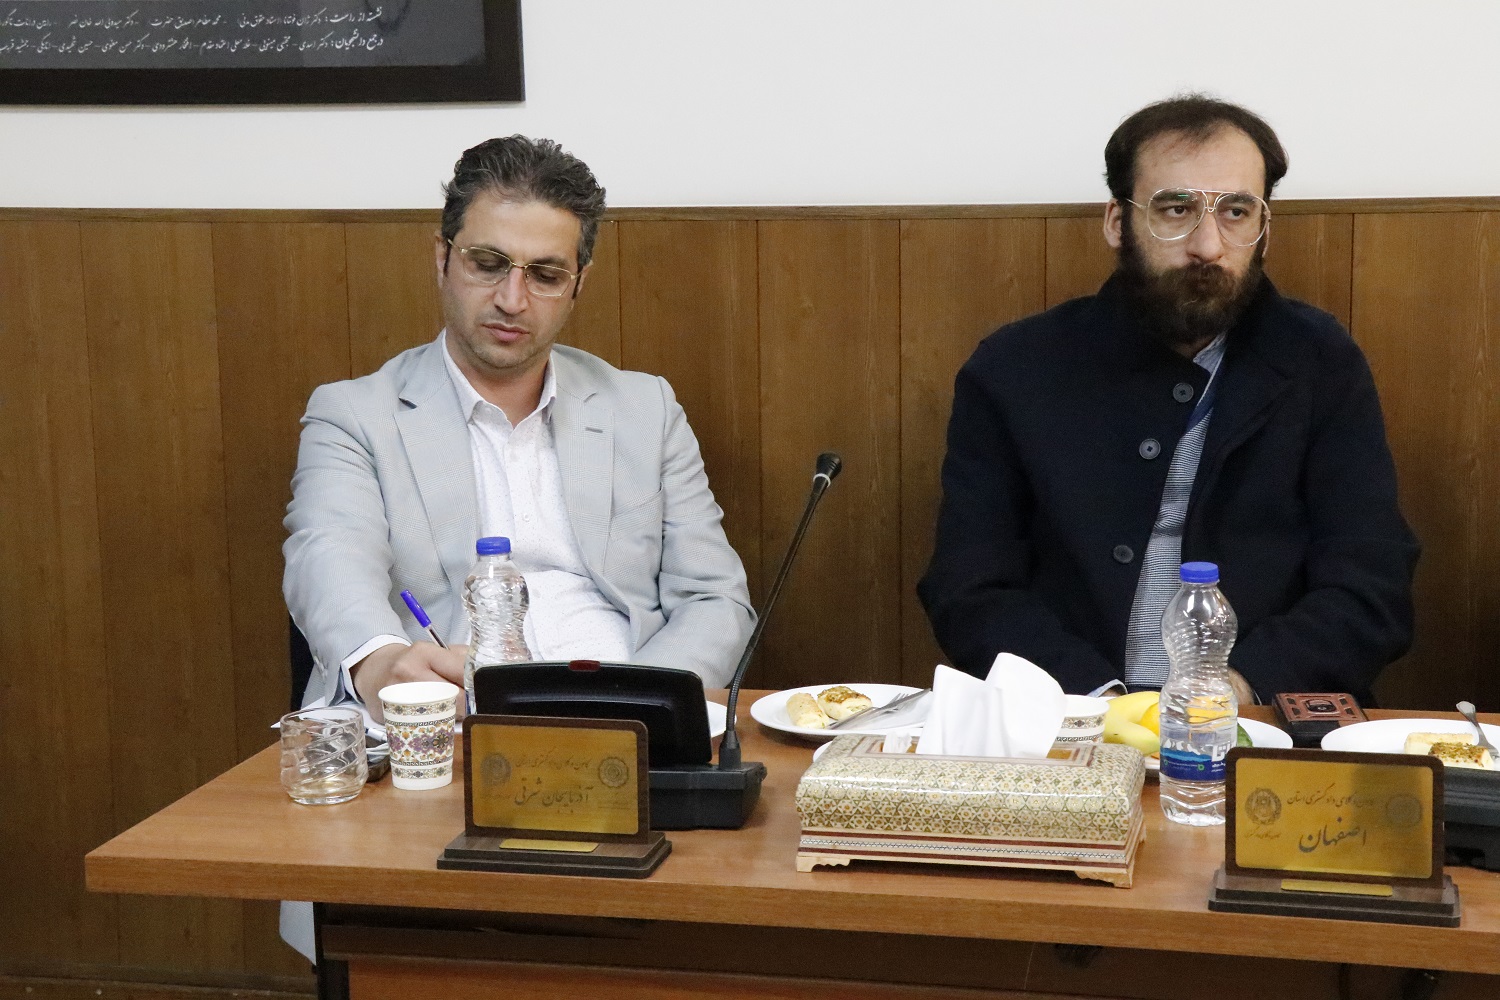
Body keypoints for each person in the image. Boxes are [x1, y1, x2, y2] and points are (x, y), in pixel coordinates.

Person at [918, 96, 1418, 706]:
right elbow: (970, 586)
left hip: (1257, 718)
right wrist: (1099, 702)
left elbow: (1370, 584)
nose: (1208, 244)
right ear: (1116, 221)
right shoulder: (1014, 368)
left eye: (1236, 211)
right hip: (1066, 716)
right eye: (1176, 209)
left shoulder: (1320, 363)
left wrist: (1230, 691)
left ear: (1263, 229)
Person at [284, 135, 755, 723]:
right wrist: (381, 663)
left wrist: (641, 701)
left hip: (630, 724)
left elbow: (714, 597)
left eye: (546, 275)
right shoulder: (354, 414)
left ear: (578, 283)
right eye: (487, 265)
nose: (512, 300)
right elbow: (329, 558)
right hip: (449, 727)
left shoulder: (645, 408)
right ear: (442, 258)